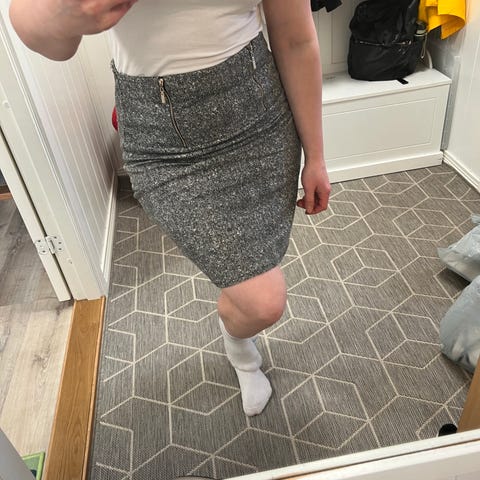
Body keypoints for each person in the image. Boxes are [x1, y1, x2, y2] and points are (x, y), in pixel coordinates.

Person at [9, 0, 331, 416]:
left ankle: (238, 325)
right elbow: (39, 33)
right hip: (162, 141)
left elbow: (296, 39)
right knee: (263, 301)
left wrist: (316, 156)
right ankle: (240, 348)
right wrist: (69, 13)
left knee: (256, 266)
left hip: (258, 120)